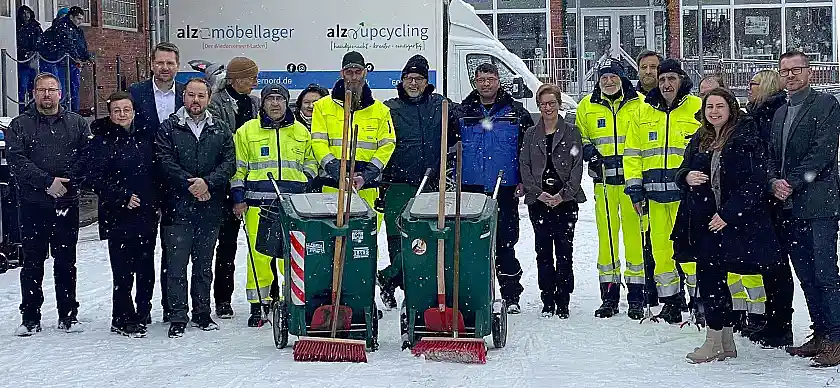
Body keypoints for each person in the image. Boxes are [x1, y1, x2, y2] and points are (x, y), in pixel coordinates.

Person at [673, 87, 781, 363]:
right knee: (712, 281)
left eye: (719, 106)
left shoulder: (745, 136)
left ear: (731, 108)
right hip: (703, 222)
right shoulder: (701, 136)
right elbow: (683, 168)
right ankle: (724, 342)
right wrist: (686, 176)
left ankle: (713, 342)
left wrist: (728, 215)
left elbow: (754, 182)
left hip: (732, 223)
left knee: (716, 282)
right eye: (709, 107)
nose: (714, 112)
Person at [770, 51, 840, 366]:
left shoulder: (825, 105)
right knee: (807, 276)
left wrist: (792, 181)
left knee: (825, 273)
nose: (790, 75)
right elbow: (771, 155)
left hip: (819, 204)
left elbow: (823, 151)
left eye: (796, 69)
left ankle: (836, 337)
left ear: (809, 72)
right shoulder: (780, 113)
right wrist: (774, 182)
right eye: (784, 70)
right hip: (790, 208)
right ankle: (821, 333)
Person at [7, 72, 91, 336]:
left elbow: (87, 157)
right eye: (42, 90)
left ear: (60, 94)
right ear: (34, 94)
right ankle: (30, 317)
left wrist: (67, 183)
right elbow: (17, 161)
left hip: (66, 203)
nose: (47, 95)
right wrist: (46, 182)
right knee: (32, 262)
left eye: (52, 90)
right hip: (33, 204)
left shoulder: (77, 124)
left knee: (66, 261)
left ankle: (68, 315)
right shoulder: (19, 125)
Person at [230, 84, 318, 327]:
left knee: (290, 255)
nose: (275, 103)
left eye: (280, 98)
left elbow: (311, 161)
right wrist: (238, 197)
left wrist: (306, 180)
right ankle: (259, 304)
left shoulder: (301, 131)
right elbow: (238, 168)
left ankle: (292, 300)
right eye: (270, 99)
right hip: (258, 204)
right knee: (258, 256)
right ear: (263, 103)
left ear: (287, 102)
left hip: (292, 206)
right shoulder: (247, 131)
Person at [156, 78, 236, 338]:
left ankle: (202, 313)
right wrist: (190, 184)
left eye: (201, 96)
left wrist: (207, 183)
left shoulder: (220, 128)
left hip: (209, 208)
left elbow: (229, 163)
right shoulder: (169, 127)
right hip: (177, 208)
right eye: (191, 95)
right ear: (184, 97)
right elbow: (164, 161)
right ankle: (177, 316)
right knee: (176, 267)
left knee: (203, 266)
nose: (196, 100)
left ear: (209, 99)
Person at [624, 59, 701, 324]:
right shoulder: (643, 112)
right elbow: (632, 154)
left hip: (686, 198)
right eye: (662, 79)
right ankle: (671, 303)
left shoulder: (697, 108)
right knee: (661, 254)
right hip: (654, 198)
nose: (667, 84)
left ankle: (699, 302)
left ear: (681, 80)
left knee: (691, 253)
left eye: (672, 79)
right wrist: (635, 189)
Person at [76, 91, 159, 338]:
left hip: (146, 212)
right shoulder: (101, 141)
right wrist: (122, 197)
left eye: (126, 110)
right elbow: (92, 177)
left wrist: (156, 200)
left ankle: (143, 310)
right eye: (117, 111)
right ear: (110, 114)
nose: (122, 115)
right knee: (122, 270)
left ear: (134, 111)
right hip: (117, 215)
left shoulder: (145, 136)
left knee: (146, 268)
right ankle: (122, 316)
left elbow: (155, 171)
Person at [379, 54, 457, 309]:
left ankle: (392, 278)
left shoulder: (441, 105)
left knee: (425, 238)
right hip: (398, 183)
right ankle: (400, 283)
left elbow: (463, 121)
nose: (414, 83)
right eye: (409, 78)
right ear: (402, 81)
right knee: (398, 238)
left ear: (426, 82)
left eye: (419, 78)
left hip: (431, 184)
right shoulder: (389, 109)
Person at [456, 62, 534, 314]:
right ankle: (473, 294)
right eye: (481, 80)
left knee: (504, 244)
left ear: (499, 81)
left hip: (504, 188)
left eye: (490, 79)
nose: (486, 84)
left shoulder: (516, 112)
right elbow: (450, 149)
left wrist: (523, 178)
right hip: (472, 188)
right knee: (472, 245)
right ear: (475, 83)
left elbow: (526, 150)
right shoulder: (462, 113)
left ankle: (511, 294)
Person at [576, 60, 647, 319]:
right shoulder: (587, 105)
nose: (608, 82)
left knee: (635, 240)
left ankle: (637, 297)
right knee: (607, 241)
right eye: (604, 77)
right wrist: (589, 152)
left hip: (631, 184)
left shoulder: (640, 103)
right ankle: (609, 296)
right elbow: (580, 136)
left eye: (613, 77)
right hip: (604, 183)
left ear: (622, 78)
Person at [128, 42, 185, 323]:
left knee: (174, 250)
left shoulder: (187, 94)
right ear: (151, 64)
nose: (165, 68)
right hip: (145, 180)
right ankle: (143, 307)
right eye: (160, 63)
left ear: (178, 66)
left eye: (170, 63)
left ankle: (171, 306)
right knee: (144, 249)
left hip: (177, 180)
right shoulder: (136, 93)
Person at [520, 83, 585, 319]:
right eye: (543, 104)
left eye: (552, 103)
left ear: (559, 104)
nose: (548, 108)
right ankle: (547, 298)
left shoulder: (572, 132)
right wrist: (537, 192)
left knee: (565, 251)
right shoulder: (531, 134)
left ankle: (563, 299)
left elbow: (577, 165)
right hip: (539, 201)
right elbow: (524, 165)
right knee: (543, 252)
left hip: (565, 201)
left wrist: (563, 194)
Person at [311, 51, 395, 222]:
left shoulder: (380, 110)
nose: (354, 77)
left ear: (365, 72)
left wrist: (366, 175)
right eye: (349, 72)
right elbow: (318, 143)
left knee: (364, 236)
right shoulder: (322, 107)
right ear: (342, 73)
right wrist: (339, 172)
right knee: (332, 234)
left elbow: (387, 146)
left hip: (367, 187)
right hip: (332, 185)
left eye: (358, 72)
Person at [207, 56, 260, 320]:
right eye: (251, 78)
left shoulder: (255, 102)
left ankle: (268, 295)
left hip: (253, 181)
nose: (255, 83)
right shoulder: (216, 103)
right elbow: (220, 139)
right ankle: (223, 298)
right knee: (226, 244)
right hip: (226, 181)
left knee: (262, 244)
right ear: (237, 79)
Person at [739, 69, 788, 341]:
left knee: (776, 264)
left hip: (772, 198)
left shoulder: (772, 115)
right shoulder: (757, 114)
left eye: (754, 83)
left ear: (767, 86)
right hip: (762, 197)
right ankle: (772, 319)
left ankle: (779, 323)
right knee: (767, 263)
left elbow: (768, 156)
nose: (749, 87)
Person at [633, 50, 662, 307]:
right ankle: (650, 291)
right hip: (643, 186)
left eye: (654, 67)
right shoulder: (632, 103)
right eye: (644, 67)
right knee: (646, 242)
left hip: (674, 188)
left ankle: (676, 297)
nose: (649, 71)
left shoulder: (677, 102)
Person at [37, 6, 91, 113]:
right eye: (78, 19)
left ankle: (72, 112)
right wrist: (77, 57)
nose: (80, 22)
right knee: (62, 87)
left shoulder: (76, 29)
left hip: (68, 61)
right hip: (59, 61)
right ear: (71, 17)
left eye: (81, 19)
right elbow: (67, 42)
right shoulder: (62, 26)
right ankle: (63, 112)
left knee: (73, 87)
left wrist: (86, 57)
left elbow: (81, 45)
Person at [16, 5, 42, 111]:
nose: (26, 15)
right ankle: (22, 110)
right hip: (22, 61)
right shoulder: (18, 26)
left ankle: (33, 109)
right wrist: (23, 52)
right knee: (22, 87)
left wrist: (34, 51)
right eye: (23, 13)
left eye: (27, 13)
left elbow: (41, 42)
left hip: (33, 59)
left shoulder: (35, 26)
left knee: (33, 87)